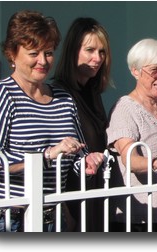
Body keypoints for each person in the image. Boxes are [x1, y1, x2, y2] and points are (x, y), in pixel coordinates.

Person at [0, 10, 105, 232]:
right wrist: (47, 155)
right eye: (33, 53)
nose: (43, 61)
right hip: (8, 219)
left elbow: (76, 155)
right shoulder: (1, 93)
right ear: (12, 54)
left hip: (52, 217)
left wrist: (86, 162)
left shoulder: (63, 98)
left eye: (48, 53)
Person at [106, 38, 157, 232]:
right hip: (142, 218)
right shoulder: (125, 109)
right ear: (135, 71)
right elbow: (130, 159)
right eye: (154, 71)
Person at [52, 17, 112, 232]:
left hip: (96, 193)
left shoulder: (93, 93)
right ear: (73, 51)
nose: (97, 58)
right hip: (72, 199)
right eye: (90, 50)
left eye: (102, 51)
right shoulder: (59, 93)